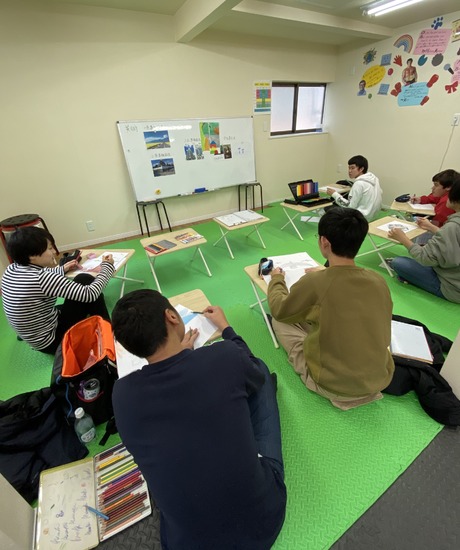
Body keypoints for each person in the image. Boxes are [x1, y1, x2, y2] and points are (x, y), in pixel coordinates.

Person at [111, 289, 286, 550]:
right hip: (262, 519)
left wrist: (182, 355)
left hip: (185, 542)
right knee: (257, 370)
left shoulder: (122, 395)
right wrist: (225, 328)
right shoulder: (225, 355)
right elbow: (248, 368)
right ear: (171, 316)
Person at [267, 207, 394, 410]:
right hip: (380, 378)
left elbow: (278, 309)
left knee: (279, 321)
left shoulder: (314, 282)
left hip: (333, 385)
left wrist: (276, 280)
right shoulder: (378, 280)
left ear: (324, 242)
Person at [1, 226, 115, 353]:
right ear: (32, 256)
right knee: (86, 281)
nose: (54, 252)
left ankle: (98, 326)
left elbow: (38, 281)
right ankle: (108, 333)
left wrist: (62, 269)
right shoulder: (42, 279)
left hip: (34, 335)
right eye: (49, 248)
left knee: (82, 286)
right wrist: (107, 267)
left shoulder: (11, 269)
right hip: (53, 342)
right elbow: (90, 294)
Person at [388, 176, 460, 303]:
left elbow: (425, 258)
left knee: (398, 262)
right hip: (455, 275)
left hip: (452, 288)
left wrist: (403, 238)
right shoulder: (453, 227)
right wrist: (432, 227)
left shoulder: (452, 226)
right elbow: (453, 239)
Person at [326, 155, 382, 221]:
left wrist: (334, 194)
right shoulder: (374, 179)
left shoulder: (359, 184)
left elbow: (350, 207)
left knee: (328, 208)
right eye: (349, 168)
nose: (349, 171)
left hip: (361, 218)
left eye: (352, 168)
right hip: (373, 216)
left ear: (361, 169)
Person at [410, 169, 458, 244]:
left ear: (448, 187)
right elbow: (434, 198)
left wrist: (428, 225)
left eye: (436, 185)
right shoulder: (445, 195)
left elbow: (439, 226)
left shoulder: (447, 202)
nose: (432, 188)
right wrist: (421, 199)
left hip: (440, 237)